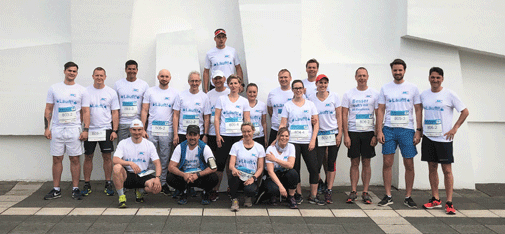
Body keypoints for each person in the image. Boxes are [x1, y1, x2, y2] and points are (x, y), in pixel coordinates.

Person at [420, 67, 469, 215]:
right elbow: (419, 111)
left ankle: (449, 202)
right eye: (432, 77)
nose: (435, 80)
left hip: (444, 139)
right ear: (429, 78)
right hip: (428, 137)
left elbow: (465, 111)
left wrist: (455, 128)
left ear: (442, 79)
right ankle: (435, 199)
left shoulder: (449, 94)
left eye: (438, 78)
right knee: (432, 168)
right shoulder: (424, 94)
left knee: (447, 170)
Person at [376, 59, 422, 208]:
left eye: (400, 70)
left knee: (409, 163)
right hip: (388, 129)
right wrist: (379, 130)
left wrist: (418, 130)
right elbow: (381, 110)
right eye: (395, 70)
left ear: (404, 70)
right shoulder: (385, 88)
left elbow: (418, 110)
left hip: (407, 130)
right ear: (392, 71)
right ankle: (388, 195)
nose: (397, 72)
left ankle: (408, 196)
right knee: (387, 163)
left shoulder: (413, 88)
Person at [44, 61, 90, 200]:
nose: (72, 73)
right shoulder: (54, 88)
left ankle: (75, 188)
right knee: (57, 159)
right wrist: (47, 127)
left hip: (74, 129)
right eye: (69, 70)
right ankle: (56, 189)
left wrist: (85, 129)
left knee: (75, 159)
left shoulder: (82, 90)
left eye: (74, 71)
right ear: (64, 71)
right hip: (57, 128)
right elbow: (49, 109)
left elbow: (86, 111)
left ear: (77, 73)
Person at [279, 80, 322, 205]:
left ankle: (313, 195)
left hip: (308, 142)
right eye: (295, 88)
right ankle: (298, 194)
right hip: (292, 142)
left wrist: (313, 140)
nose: (298, 90)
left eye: (300, 88)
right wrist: (279, 140)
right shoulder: (287, 105)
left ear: (304, 89)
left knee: (314, 168)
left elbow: (316, 124)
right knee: (295, 169)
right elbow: (283, 124)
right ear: (292, 90)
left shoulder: (310, 105)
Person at [342, 67, 379, 204]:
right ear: (355, 77)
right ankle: (353, 191)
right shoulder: (348, 94)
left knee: (366, 162)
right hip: (353, 131)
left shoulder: (374, 93)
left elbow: (378, 114)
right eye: (359, 75)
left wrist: (376, 134)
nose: (362, 78)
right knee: (354, 162)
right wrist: (346, 135)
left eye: (364, 75)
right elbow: (344, 114)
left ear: (368, 77)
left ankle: (365, 191)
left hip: (368, 132)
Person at [81, 67, 120, 197]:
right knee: (88, 156)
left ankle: (108, 183)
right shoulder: (86, 91)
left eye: (101, 75)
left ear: (105, 77)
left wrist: (114, 130)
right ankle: (87, 184)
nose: (99, 78)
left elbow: (115, 112)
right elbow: (84, 112)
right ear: (93, 76)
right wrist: (85, 129)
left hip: (106, 129)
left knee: (107, 157)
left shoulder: (111, 92)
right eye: (97, 75)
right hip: (90, 130)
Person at [212, 74, 251, 201]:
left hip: (239, 137)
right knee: (220, 164)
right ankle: (215, 190)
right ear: (227, 85)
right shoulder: (222, 99)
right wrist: (218, 135)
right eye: (231, 83)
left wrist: (245, 136)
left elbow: (247, 120)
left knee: (234, 165)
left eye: (236, 83)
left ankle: (231, 189)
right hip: (224, 136)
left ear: (240, 85)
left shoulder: (244, 101)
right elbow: (216, 118)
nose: (234, 86)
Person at [140, 69, 179, 195]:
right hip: (151, 130)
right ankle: (150, 182)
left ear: (170, 78)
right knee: (150, 157)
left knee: (164, 157)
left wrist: (175, 133)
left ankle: (162, 183)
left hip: (167, 131)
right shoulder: (150, 91)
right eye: (162, 76)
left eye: (166, 76)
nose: (164, 78)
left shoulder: (175, 93)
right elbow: (145, 110)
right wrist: (142, 129)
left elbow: (175, 115)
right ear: (158, 77)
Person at [308, 74, 342, 204]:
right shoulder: (311, 98)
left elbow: (339, 116)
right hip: (318, 134)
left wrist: (340, 134)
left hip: (333, 133)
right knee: (316, 163)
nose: (323, 85)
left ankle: (329, 190)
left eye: (325, 83)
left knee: (331, 162)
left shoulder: (334, 96)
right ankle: (317, 188)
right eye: (320, 83)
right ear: (316, 84)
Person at [112, 119, 162, 208]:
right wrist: (130, 163)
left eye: (139, 130)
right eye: (134, 130)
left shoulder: (149, 144)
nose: (137, 132)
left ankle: (140, 190)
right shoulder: (123, 143)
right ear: (130, 130)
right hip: (128, 176)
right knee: (117, 167)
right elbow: (115, 159)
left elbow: (157, 163)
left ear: (143, 130)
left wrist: (157, 178)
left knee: (157, 189)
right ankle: (121, 197)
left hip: (143, 175)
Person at [167, 125, 219, 205]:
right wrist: (183, 174)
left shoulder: (205, 147)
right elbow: (171, 167)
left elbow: (214, 167)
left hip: (199, 176)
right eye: (190, 135)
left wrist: (197, 175)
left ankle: (205, 192)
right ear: (186, 135)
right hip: (185, 177)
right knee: (170, 177)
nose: (192, 137)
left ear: (198, 136)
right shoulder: (180, 147)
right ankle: (183, 191)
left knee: (214, 177)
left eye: (195, 135)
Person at [229, 122, 265, 211]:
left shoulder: (259, 147)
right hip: (238, 175)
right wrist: (234, 169)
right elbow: (231, 165)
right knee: (233, 179)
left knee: (251, 190)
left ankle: (248, 197)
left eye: (249, 131)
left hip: (251, 176)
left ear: (253, 131)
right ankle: (234, 200)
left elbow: (260, 168)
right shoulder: (236, 146)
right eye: (244, 132)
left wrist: (253, 178)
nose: (246, 134)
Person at [205, 70, 230, 200]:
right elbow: (207, 115)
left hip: (227, 134)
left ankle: (231, 188)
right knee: (216, 163)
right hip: (212, 133)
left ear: (224, 79)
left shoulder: (229, 93)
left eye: (220, 78)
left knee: (230, 163)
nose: (218, 81)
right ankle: (215, 189)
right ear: (212, 80)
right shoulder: (209, 94)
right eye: (215, 79)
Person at [264, 127, 299, 208]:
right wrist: (281, 187)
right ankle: (273, 195)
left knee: (293, 173)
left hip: (284, 174)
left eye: (286, 136)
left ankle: (291, 197)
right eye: (282, 135)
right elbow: (270, 171)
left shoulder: (291, 147)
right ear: (278, 136)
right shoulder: (270, 149)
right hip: (273, 176)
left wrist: (275, 159)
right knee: (274, 189)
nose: (284, 138)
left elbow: (290, 165)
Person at [114, 60, 149, 141]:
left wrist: (143, 126)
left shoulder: (144, 85)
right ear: (125, 70)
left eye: (134, 69)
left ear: (137, 70)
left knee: (137, 147)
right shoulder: (118, 84)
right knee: (123, 148)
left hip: (137, 123)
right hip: (122, 123)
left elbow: (146, 108)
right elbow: (115, 107)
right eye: (129, 69)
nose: (131, 71)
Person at [173, 71, 211, 145]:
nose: (194, 83)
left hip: (198, 134)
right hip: (182, 133)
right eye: (192, 81)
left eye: (196, 81)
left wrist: (205, 135)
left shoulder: (204, 97)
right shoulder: (180, 95)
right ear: (188, 82)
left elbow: (206, 118)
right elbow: (175, 115)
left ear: (200, 82)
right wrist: (175, 134)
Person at [267, 69, 293, 145]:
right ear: (278, 79)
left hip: (291, 129)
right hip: (275, 129)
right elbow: (270, 109)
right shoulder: (272, 93)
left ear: (290, 78)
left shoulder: (295, 92)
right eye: (281, 77)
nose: (283, 79)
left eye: (285, 77)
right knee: (272, 151)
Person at [246, 83, 268, 148]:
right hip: (247, 136)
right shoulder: (243, 104)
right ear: (246, 92)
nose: (252, 94)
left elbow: (264, 123)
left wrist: (265, 138)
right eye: (250, 92)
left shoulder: (262, 105)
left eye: (254, 92)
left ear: (257, 92)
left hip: (259, 136)